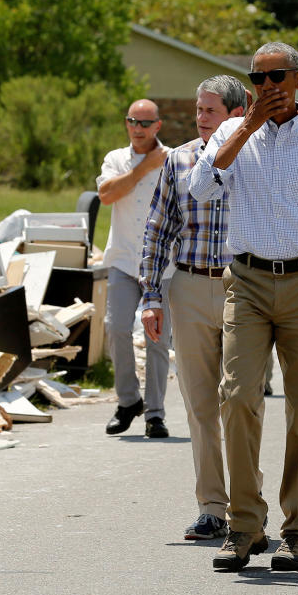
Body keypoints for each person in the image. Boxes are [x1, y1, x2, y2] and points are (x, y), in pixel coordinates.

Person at [189, 42, 298, 571]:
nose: (268, 87)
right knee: (238, 398)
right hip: (246, 279)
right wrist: (244, 128)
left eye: (277, 77)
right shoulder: (230, 133)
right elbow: (200, 188)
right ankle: (244, 527)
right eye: (258, 79)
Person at [140, 75, 250, 540]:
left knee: (240, 400)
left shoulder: (257, 158)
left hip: (244, 289)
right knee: (200, 402)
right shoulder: (179, 160)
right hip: (188, 286)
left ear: (235, 115)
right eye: (198, 109)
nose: (200, 118)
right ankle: (211, 507)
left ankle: (249, 503)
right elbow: (158, 229)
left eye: (210, 111)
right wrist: (151, 296)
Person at [97, 99, 173, 438]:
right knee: (116, 328)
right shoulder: (116, 159)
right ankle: (128, 400)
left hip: (162, 264)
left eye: (145, 123)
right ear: (126, 124)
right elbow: (106, 195)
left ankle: (155, 414)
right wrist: (143, 168)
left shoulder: (174, 159)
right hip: (124, 260)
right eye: (132, 122)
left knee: (157, 339)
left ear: (158, 125)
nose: (138, 129)